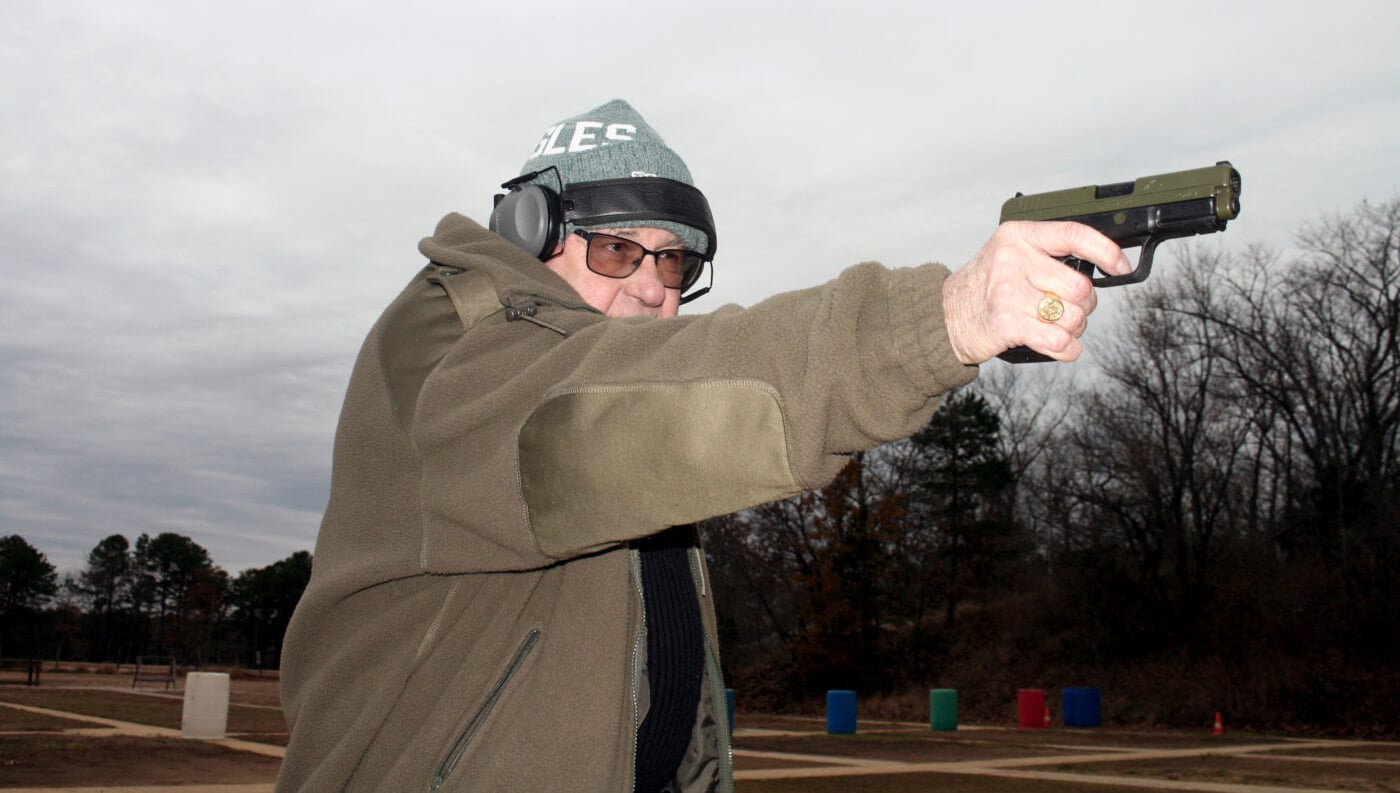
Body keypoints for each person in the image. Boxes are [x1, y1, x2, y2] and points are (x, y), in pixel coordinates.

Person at [276, 99, 1127, 793]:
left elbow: (663, 690)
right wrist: (943, 319)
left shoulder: (622, 409)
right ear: (529, 232)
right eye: (617, 250)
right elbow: (579, 428)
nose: (653, 287)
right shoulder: (447, 347)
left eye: (675, 263)